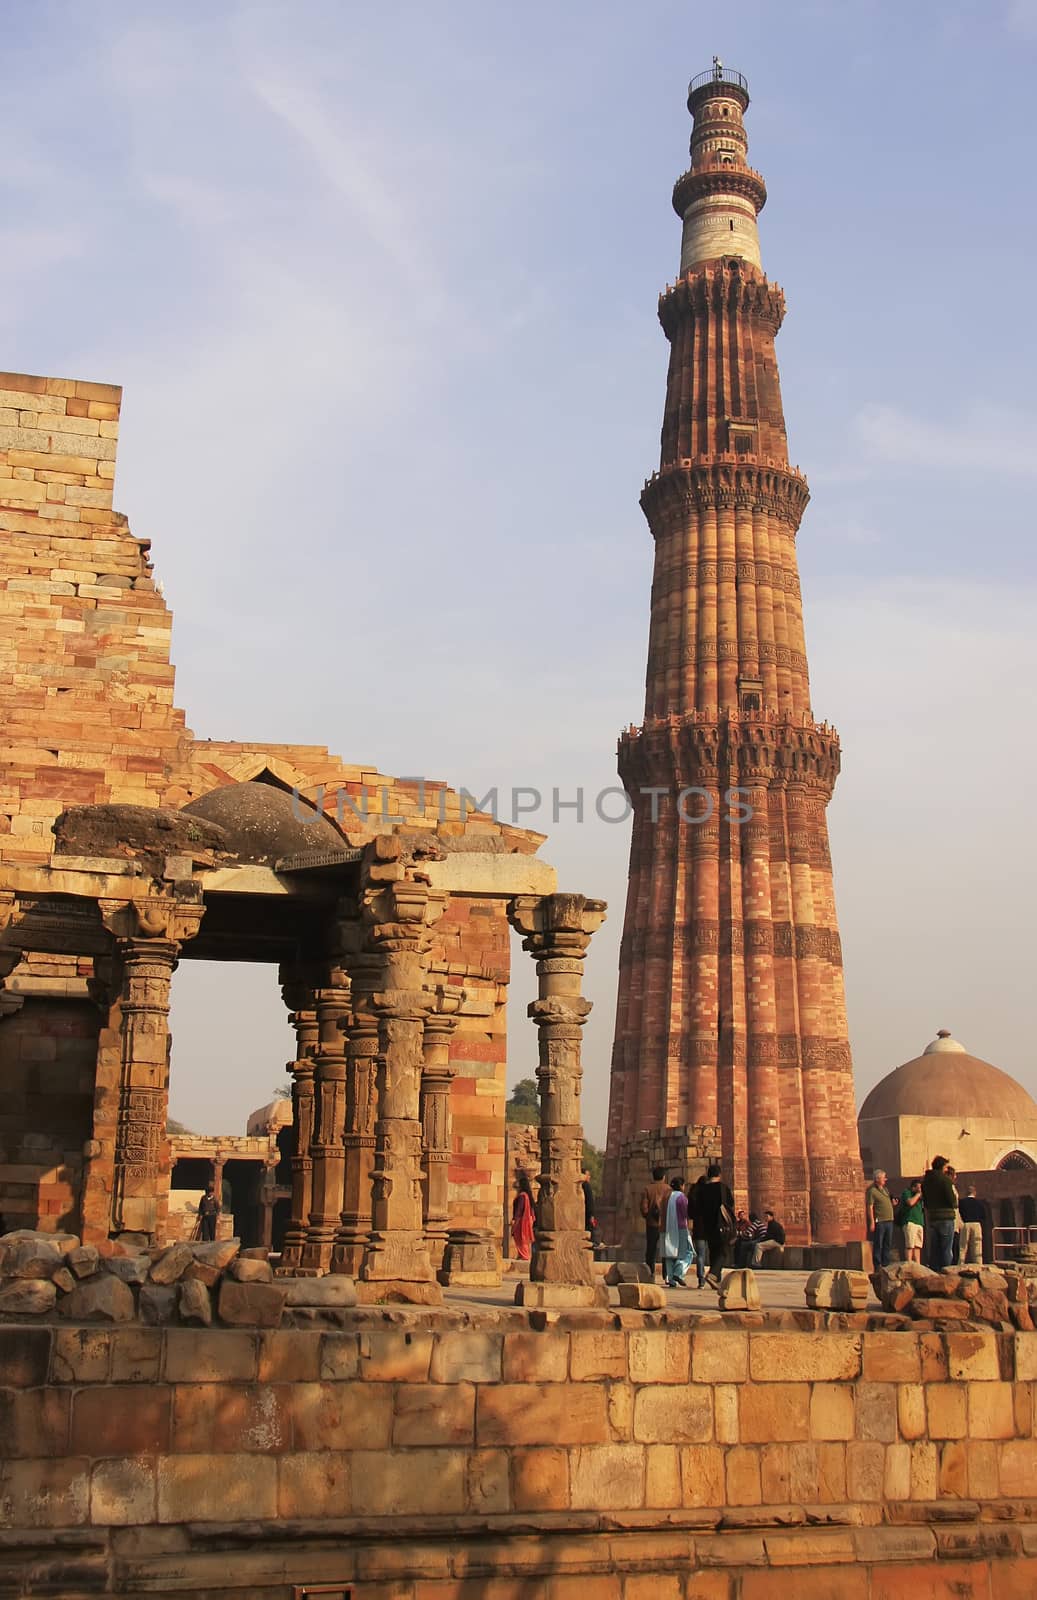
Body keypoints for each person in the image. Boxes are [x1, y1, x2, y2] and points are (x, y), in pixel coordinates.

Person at [697, 1163, 736, 1292]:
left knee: (714, 1250)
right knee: (724, 1251)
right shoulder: (722, 1188)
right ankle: (713, 1274)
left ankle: (716, 1280)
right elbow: (730, 1204)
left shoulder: (702, 1189)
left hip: (708, 1224)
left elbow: (699, 1208)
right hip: (721, 1224)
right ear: (719, 1174)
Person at [921, 1156, 957, 1270]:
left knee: (935, 1249)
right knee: (946, 1249)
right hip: (946, 1217)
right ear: (942, 1167)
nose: (947, 1169)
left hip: (933, 1217)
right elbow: (952, 1199)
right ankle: (946, 1273)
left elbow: (925, 1201)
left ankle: (934, 1273)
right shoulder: (945, 1180)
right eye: (946, 1167)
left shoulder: (926, 1181)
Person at [640, 1165, 673, 1277]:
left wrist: (648, 1216)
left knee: (651, 1249)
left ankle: (650, 1273)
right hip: (665, 1224)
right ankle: (666, 1273)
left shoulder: (648, 1189)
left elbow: (644, 1208)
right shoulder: (668, 1189)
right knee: (666, 1249)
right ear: (664, 1177)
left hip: (652, 1223)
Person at [660, 1176, 692, 1287]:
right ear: (681, 1186)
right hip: (680, 1228)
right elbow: (686, 1214)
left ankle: (670, 1279)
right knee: (688, 1252)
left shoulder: (666, 1197)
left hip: (665, 1228)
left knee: (669, 1254)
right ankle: (678, 1272)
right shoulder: (682, 1198)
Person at [865, 1169, 894, 1269]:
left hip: (889, 1219)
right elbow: (870, 1207)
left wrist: (893, 1204)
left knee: (887, 1243)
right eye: (883, 1178)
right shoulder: (872, 1191)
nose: (885, 1179)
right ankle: (877, 1264)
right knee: (879, 1243)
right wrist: (872, 1222)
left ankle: (886, 1264)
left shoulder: (885, 1190)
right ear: (877, 1179)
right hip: (880, 1221)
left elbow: (887, 1202)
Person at [687, 1174, 710, 1288]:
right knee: (712, 1254)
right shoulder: (708, 1195)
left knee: (700, 1255)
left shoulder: (694, 1195)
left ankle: (701, 1280)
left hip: (699, 1228)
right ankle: (714, 1277)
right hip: (710, 1227)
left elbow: (690, 1214)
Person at [897, 1178, 925, 1263]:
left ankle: (917, 1264)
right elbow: (910, 1203)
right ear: (913, 1187)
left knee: (917, 1246)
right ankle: (909, 1263)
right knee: (910, 1245)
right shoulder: (907, 1192)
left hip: (919, 1222)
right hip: (910, 1222)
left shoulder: (921, 1198)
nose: (920, 1189)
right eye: (918, 1187)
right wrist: (918, 1194)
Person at [510, 1170, 536, 1260]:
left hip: (521, 1220)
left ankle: (524, 1255)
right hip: (526, 1219)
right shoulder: (527, 1196)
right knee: (523, 1238)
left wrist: (515, 1219)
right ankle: (522, 1254)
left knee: (521, 1238)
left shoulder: (522, 1196)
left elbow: (520, 1209)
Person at [958, 1184, 986, 1265]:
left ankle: (961, 1263)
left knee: (963, 1246)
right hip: (976, 1224)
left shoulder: (962, 1202)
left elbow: (960, 1213)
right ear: (975, 1193)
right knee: (977, 1245)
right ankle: (979, 1264)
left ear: (966, 1193)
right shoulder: (979, 1203)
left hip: (966, 1224)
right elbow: (983, 1216)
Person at [581, 1167, 600, 1256]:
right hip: (587, 1214)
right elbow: (590, 1201)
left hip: (582, 1215)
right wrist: (592, 1215)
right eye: (588, 1175)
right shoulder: (586, 1185)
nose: (589, 1177)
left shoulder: (582, 1185)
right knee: (590, 1234)